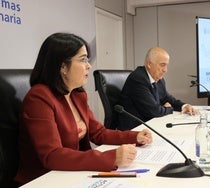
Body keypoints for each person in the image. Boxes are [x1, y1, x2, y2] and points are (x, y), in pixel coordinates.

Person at [14, 33, 152, 185]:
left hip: (72, 173)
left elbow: (98, 133)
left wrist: (134, 137)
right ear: (62, 66)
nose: (89, 65)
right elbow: (52, 156)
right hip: (44, 179)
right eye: (83, 59)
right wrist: (111, 157)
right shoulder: (39, 98)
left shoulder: (77, 94)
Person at [118, 47, 196, 130]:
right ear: (149, 64)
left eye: (166, 65)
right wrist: (169, 109)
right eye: (162, 65)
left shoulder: (158, 79)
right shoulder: (138, 79)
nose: (165, 70)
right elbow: (154, 111)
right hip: (135, 129)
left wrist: (184, 106)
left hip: (150, 124)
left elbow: (167, 99)